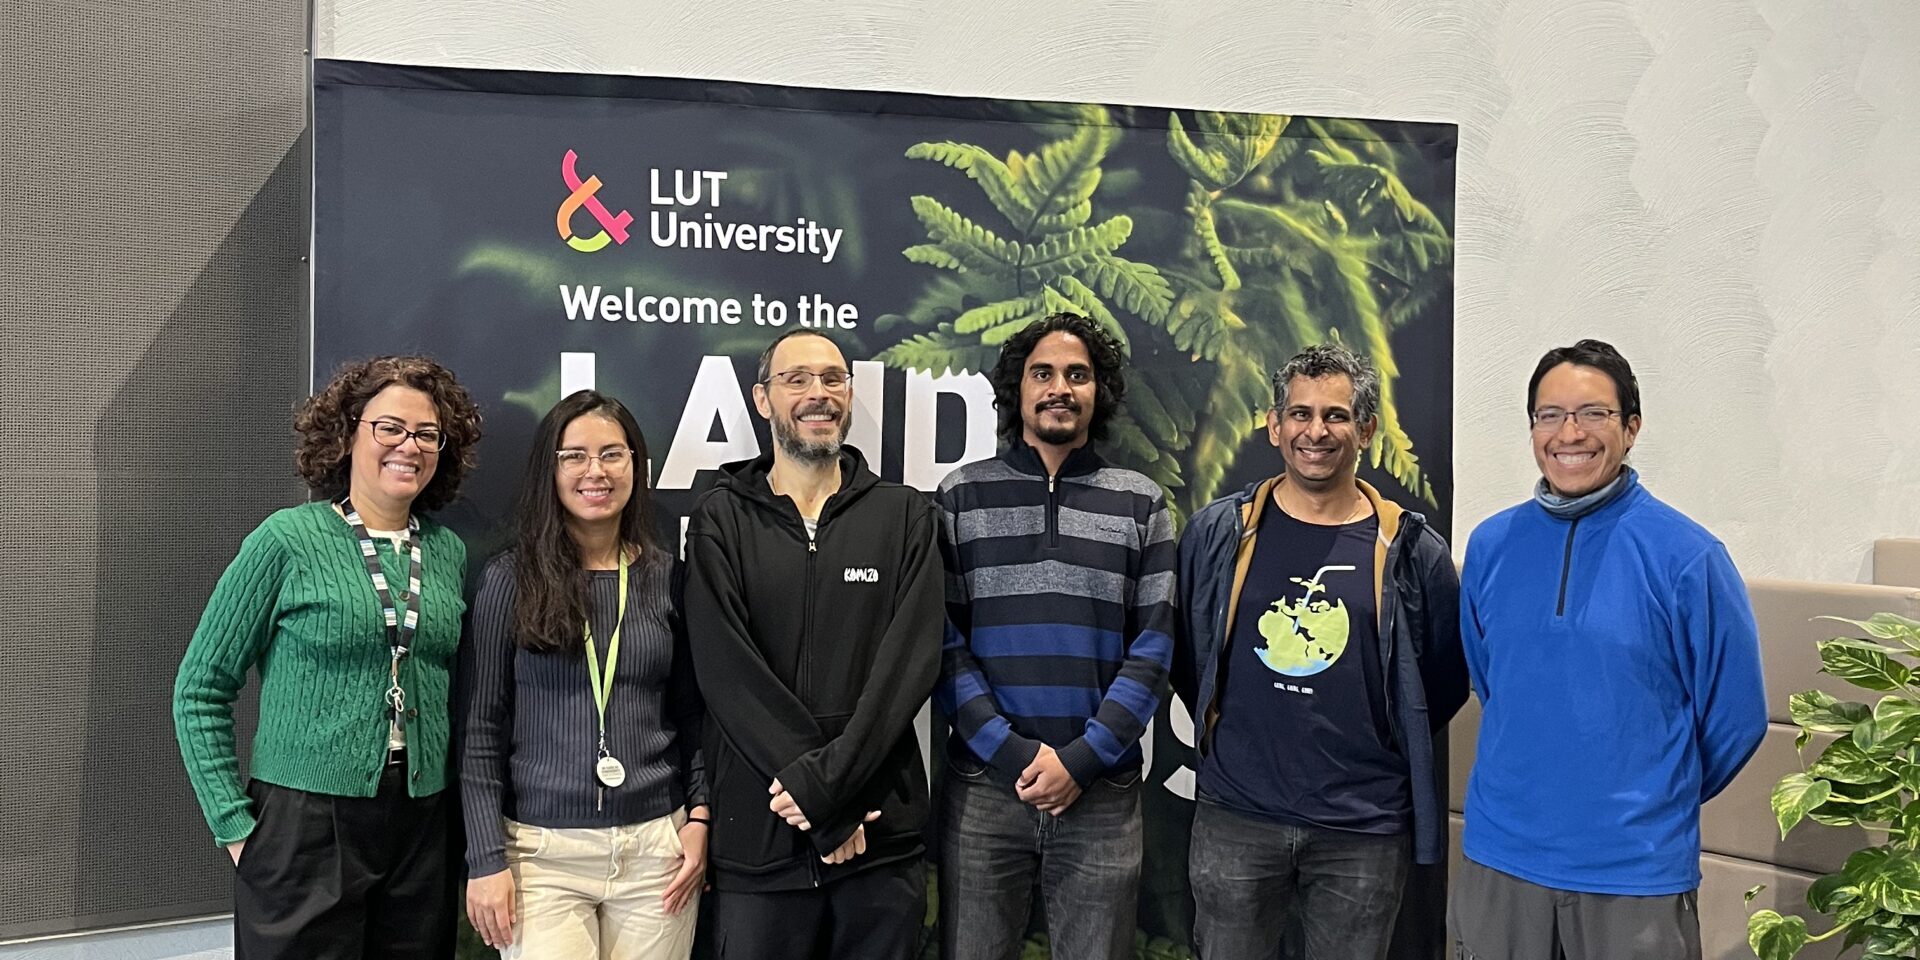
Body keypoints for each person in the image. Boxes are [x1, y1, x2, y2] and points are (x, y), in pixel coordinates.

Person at [1450, 339, 1767, 960]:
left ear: (1631, 428)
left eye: (1593, 413)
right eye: (1550, 415)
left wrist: (1648, 792)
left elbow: (1736, 719)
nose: (1570, 433)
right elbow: (1493, 681)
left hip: (1635, 876)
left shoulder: (1688, 557)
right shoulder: (1490, 546)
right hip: (1502, 859)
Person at [173, 356, 483, 959]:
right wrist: (235, 828)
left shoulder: (446, 553)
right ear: (348, 432)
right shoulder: (285, 540)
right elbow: (200, 690)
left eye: (426, 434)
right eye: (389, 428)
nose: (409, 447)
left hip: (421, 819)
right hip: (306, 824)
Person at [1172, 342, 1468, 960]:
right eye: (1300, 414)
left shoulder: (1414, 552)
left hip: (1363, 828)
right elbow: (1189, 655)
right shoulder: (1217, 533)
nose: (1316, 431)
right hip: (1237, 816)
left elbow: (1440, 680)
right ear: (1275, 425)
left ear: (1366, 429)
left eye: (1335, 415)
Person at [681, 329, 943, 960]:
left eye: (832, 379)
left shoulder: (904, 515)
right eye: (796, 380)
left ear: (849, 395)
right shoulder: (722, 516)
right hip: (761, 840)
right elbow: (726, 673)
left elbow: (906, 670)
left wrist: (836, 791)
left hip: (879, 841)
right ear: (763, 399)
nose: (817, 394)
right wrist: (825, 803)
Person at [935, 312, 1177, 960]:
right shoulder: (960, 498)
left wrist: (1082, 760)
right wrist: (1014, 754)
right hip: (987, 789)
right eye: (1042, 373)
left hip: (1102, 793)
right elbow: (942, 644)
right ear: (1018, 388)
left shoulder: (1141, 503)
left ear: (1099, 393)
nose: (1059, 388)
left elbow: (1153, 649)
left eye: (1078, 375)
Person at [461, 390, 708, 959]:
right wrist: (485, 859)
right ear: (549, 468)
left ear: (635, 467)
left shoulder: (670, 579)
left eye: (612, 454)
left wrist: (700, 815)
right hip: (541, 857)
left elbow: (694, 712)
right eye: (574, 456)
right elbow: (480, 729)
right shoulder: (509, 579)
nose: (594, 471)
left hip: (656, 852)